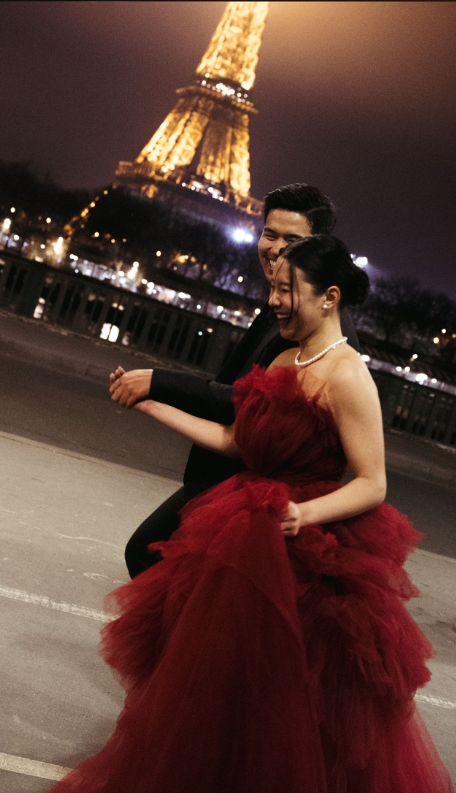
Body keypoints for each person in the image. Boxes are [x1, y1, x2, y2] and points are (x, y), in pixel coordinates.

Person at [43, 235, 456, 793]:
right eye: (273, 287)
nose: (275, 299)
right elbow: (236, 441)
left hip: (304, 551)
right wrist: (152, 404)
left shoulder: (348, 376)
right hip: (242, 530)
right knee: (225, 692)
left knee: (290, 708)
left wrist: (303, 513)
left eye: (288, 290)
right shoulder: (285, 357)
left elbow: (372, 483)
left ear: (329, 297)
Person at [109, 183, 362, 579]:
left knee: (152, 557)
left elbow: (242, 404)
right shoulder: (285, 304)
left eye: (292, 240)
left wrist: (159, 384)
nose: (276, 248)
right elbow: (245, 412)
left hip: (255, 487)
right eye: (270, 234)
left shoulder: (312, 327)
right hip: (239, 471)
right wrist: (155, 400)